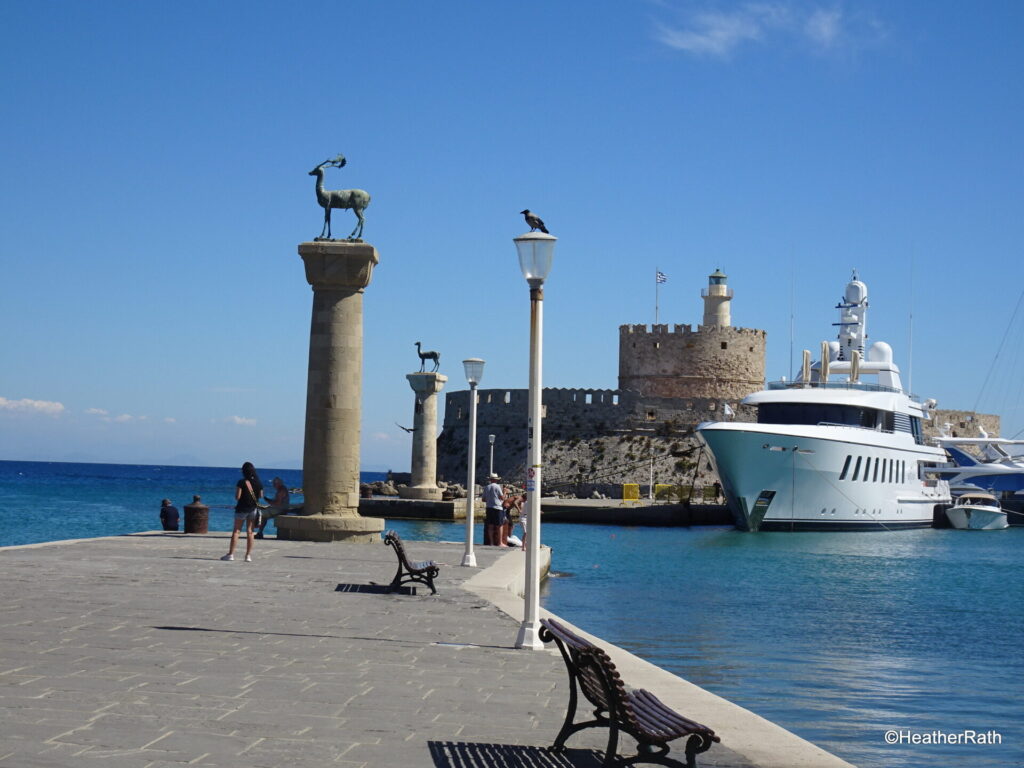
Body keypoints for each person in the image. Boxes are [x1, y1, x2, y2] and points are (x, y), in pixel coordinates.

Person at [222, 462, 264, 563]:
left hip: (241, 509)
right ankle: (248, 555)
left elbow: (237, 497)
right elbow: (261, 496)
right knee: (250, 532)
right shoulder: (259, 483)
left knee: (237, 531)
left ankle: (231, 554)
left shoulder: (241, 482)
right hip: (253, 509)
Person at [482, 472, 506, 546]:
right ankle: (500, 542)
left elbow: (483, 499)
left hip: (489, 508)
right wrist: (505, 492)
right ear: (496, 480)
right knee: (499, 525)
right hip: (497, 508)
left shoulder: (487, 487)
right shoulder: (497, 486)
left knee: (490, 526)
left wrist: (490, 499)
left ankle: (491, 542)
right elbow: (502, 498)